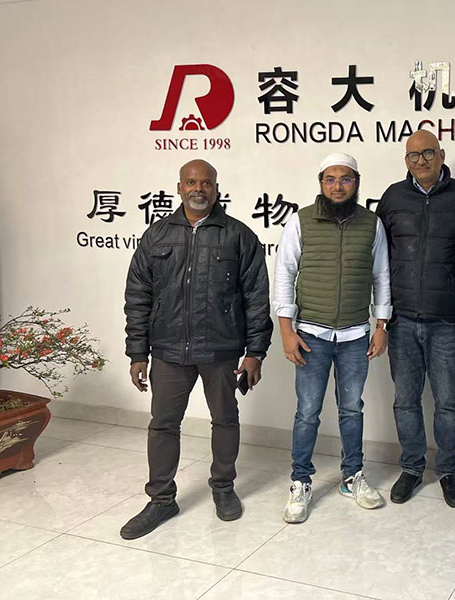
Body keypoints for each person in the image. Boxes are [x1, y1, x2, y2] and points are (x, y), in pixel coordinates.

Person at [121, 159, 272, 540]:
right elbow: (138, 295)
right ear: (179, 187)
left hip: (220, 349)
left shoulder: (239, 236)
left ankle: (223, 487)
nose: (198, 189)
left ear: (216, 189)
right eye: (191, 182)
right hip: (169, 350)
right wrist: (138, 353)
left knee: (225, 420)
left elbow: (257, 298)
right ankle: (161, 500)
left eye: (206, 183)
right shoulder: (157, 235)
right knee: (163, 424)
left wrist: (255, 352)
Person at [274, 152, 390, 523]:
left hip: (356, 335)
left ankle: (352, 476)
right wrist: (286, 330)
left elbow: (381, 276)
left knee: (352, 408)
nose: (338, 186)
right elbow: (284, 273)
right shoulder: (300, 221)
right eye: (331, 179)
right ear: (321, 182)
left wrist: (381, 325)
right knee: (308, 411)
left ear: (357, 182)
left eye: (346, 179)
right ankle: (300, 481)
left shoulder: (371, 224)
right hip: (311, 334)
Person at [376, 130, 455, 507]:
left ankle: (448, 471)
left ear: (441, 155)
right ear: (405, 160)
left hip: (447, 320)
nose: (420, 161)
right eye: (413, 155)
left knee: (448, 401)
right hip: (401, 319)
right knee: (405, 400)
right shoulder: (393, 198)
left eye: (428, 153)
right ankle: (411, 467)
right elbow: (380, 253)